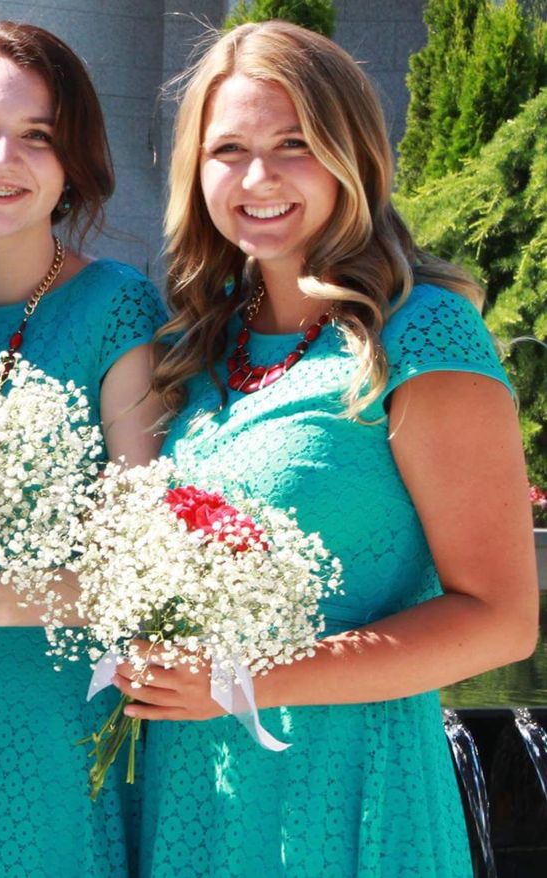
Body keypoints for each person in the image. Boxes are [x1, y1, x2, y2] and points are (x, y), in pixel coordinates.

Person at [113, 20, 539, 877]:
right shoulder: (197, 345)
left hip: (350, 791)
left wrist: (244, 679)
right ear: (196, 172)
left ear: (353, 156)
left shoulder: (421, 334)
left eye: (294, 145)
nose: (258, 177)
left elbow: (501, 622)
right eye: (228, 149)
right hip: (194, 789)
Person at [0, 21, 165, 878]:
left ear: (74, 166)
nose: (4, 159)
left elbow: (148, 572)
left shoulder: (115, 308)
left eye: (39, 137)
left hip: (46, 727)